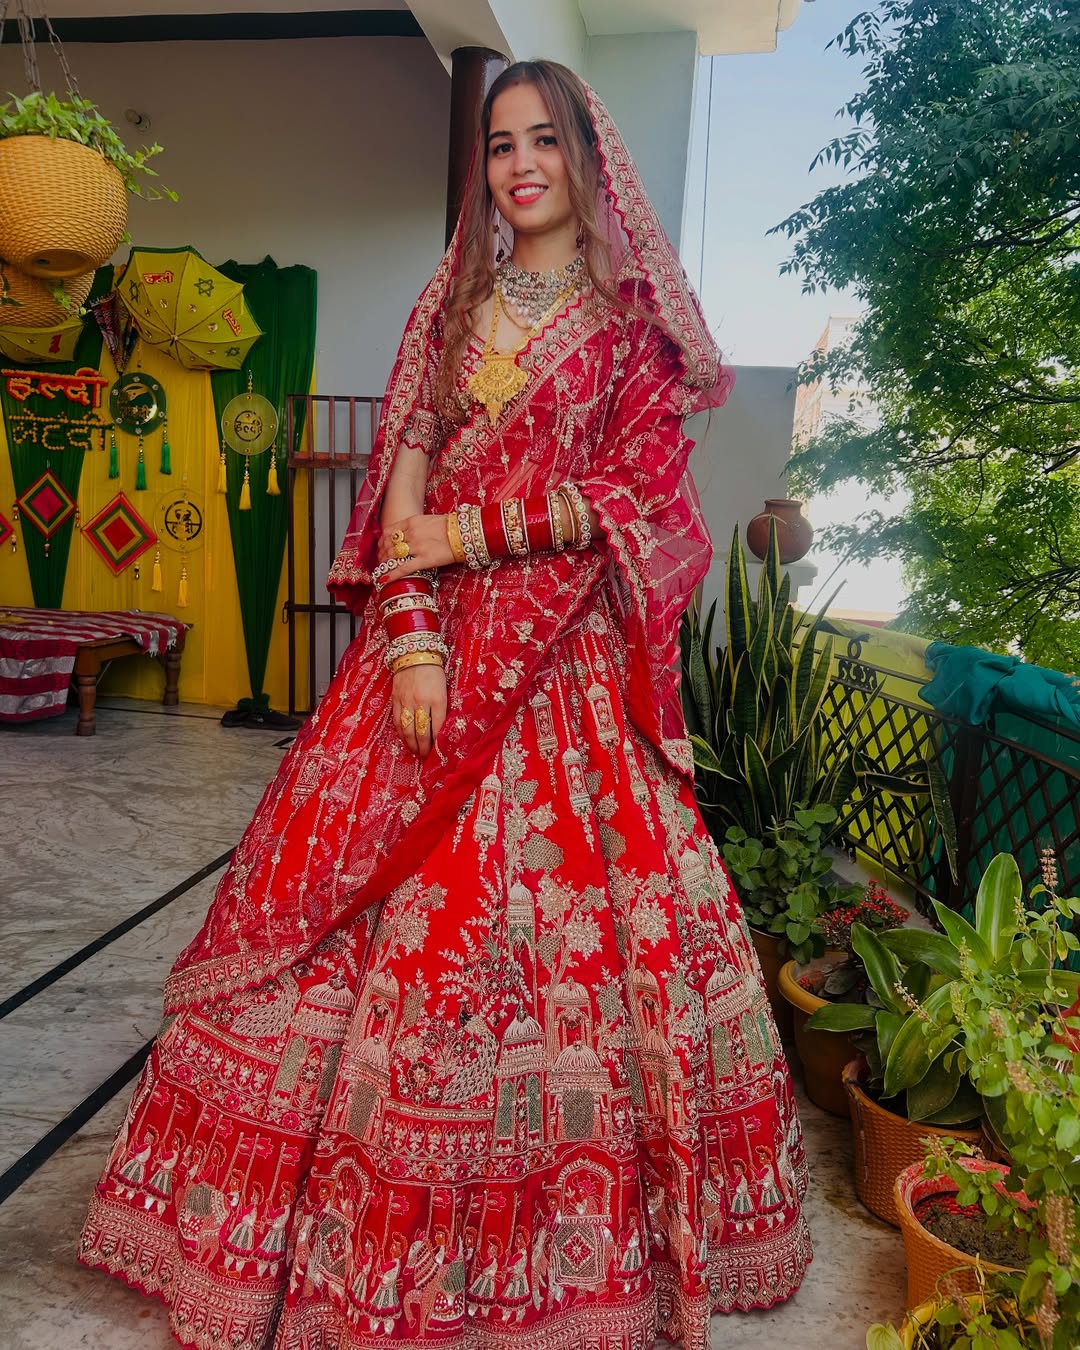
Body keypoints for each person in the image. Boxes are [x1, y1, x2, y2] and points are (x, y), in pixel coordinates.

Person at [80, 59, 812, 1349]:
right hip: (429, 655)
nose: (520, 164)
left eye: (544, 140)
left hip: (566, 662)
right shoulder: (453, 300)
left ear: (589, 157)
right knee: (341, 909)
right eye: (499, 143)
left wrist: (477, 534)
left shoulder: (632, 327)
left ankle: (557, 1258)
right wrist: (413, 635)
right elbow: (402, 473)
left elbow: (644, 497)